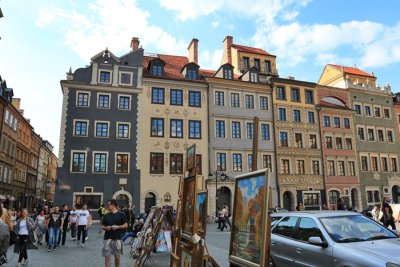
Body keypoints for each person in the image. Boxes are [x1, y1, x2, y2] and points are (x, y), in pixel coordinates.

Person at [101, 199, 128, 267]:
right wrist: (105, 228)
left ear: (113, 205)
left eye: (108, 205)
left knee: (117, 257)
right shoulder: (106, 215)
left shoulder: (121, 214)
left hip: (117, 238)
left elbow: (126, 225)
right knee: (107, 257)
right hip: (107, 239)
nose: (107, 206)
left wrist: (118, 227)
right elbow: (102, 226)